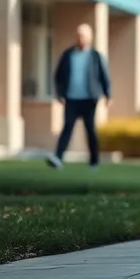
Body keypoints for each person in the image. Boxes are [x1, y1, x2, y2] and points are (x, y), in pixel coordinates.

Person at [46, 23, 111, 169]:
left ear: (90, 38)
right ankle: (58, 158)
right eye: (78, 35)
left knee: (90, 129)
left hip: (89, 99)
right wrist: (59, 93)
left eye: (83, 36)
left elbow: (104, 76)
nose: (80, 38)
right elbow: (58, 76)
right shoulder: (68, 55)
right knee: (67, 127)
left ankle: (94, 161)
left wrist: (108, 94)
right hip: (71, 98)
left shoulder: (95, 56)